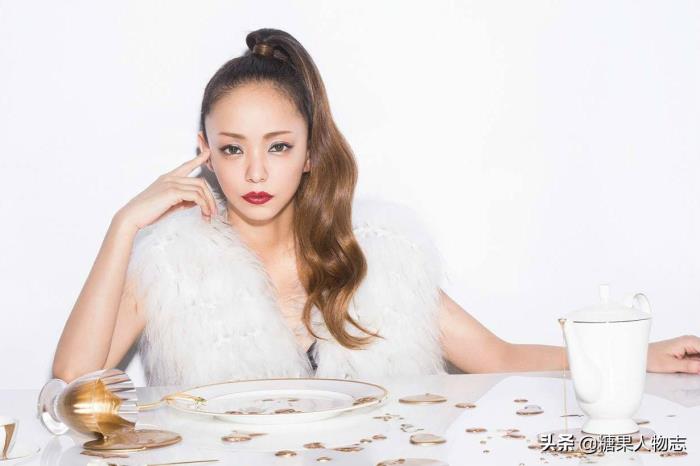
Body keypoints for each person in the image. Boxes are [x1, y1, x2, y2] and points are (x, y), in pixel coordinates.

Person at [52, 28, 700, 386]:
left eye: (278, 146)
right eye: (232, 148)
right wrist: (123, 224)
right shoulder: (172, 265)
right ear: (204, 152)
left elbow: (497, 358)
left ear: (310, 152)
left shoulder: (376, 254)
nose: (255, 172)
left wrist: (633, 353)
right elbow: (72, 379)